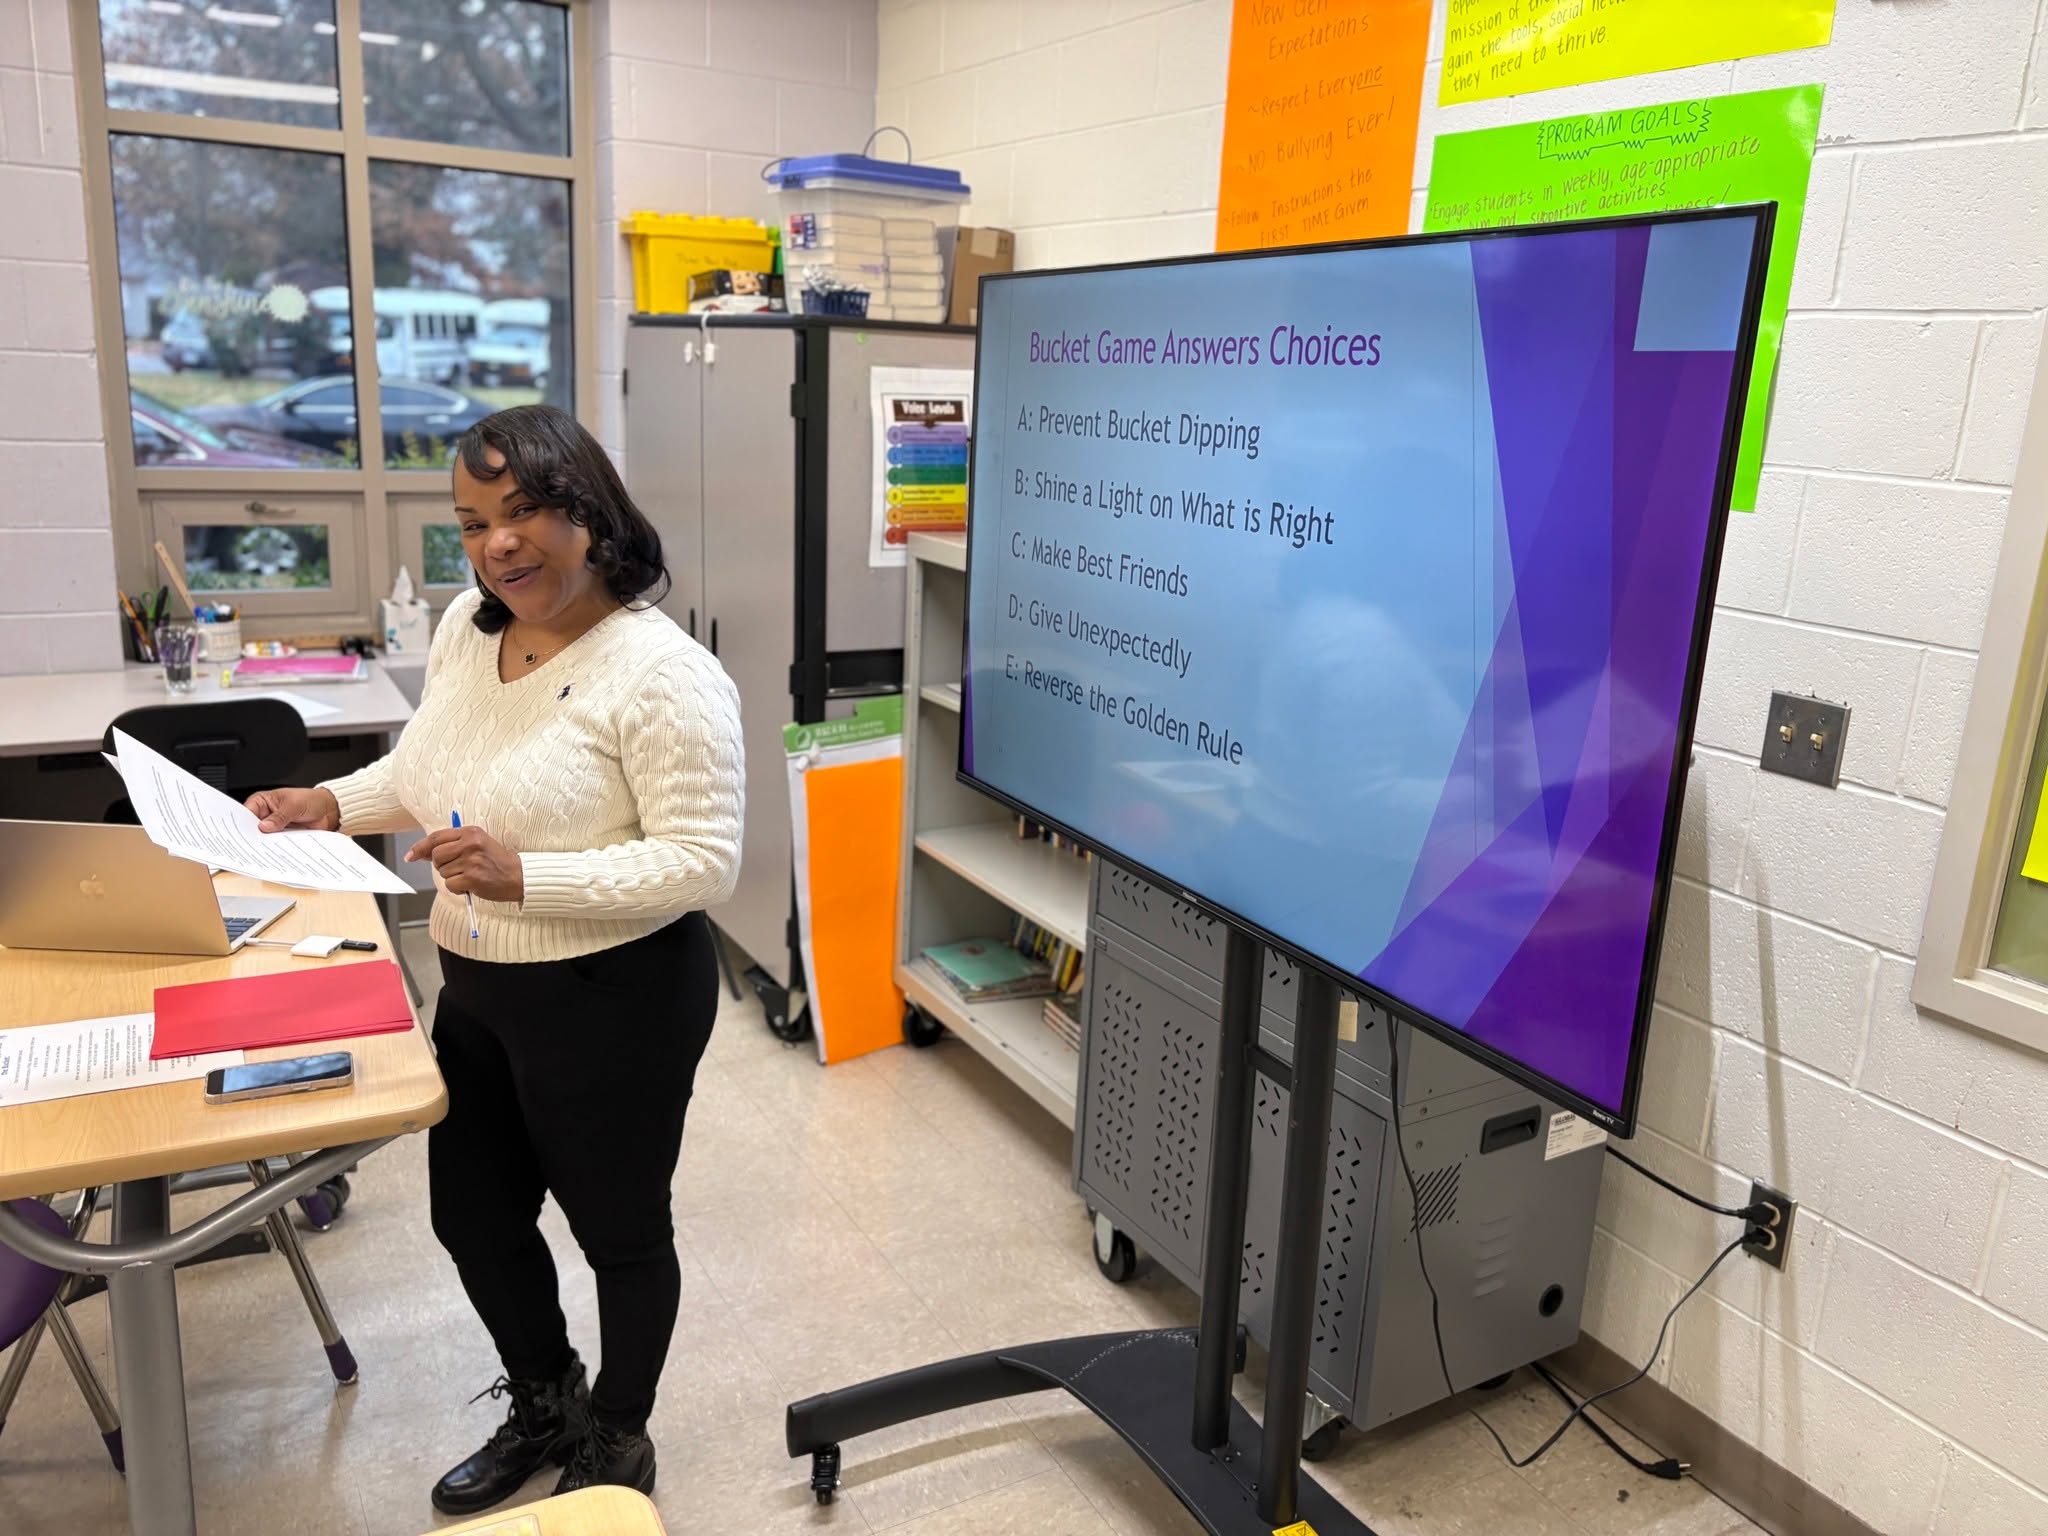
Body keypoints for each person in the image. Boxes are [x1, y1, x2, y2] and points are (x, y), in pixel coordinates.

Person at [247, 405, 743, 1510]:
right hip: (477, 985)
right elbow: (427, 770)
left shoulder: (665, 674)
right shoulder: (471, 633)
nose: (498, 545)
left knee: (618, 1228)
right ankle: (546, 1399)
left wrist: (531, 876)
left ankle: (618, 1435)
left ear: (591, 514)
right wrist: (327, 801)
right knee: (472, 1217)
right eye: (473, 524)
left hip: (613, 993)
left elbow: (705, 865)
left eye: (523, 514)